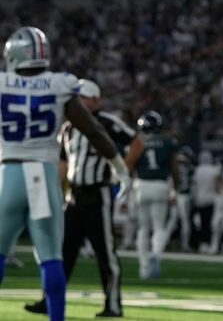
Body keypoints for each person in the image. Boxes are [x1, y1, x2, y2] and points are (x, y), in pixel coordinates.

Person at [0, 27, 129, 321]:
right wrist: (119, 167)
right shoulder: (59, 84)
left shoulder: (3, 83)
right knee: (50, 255)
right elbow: (93, 130)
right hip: (43, 176)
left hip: (10, 173)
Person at [24, 78, 144, 318]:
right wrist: (55, 190)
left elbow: (137, 142)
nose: (77, 103)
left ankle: (113, 304)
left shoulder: (107, 122)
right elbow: (63, 162)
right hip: (73, 197)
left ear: (95, 100)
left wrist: (121, 172)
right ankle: (49, 300)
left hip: (97, 195)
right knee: (60, 252)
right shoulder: (68, 127)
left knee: (105, 252)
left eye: (82, 98)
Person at [128, 110, 178, 279]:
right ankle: (155, 254)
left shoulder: (138, 142)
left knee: (143, 228)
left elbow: (129, 165)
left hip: (141, 185)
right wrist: (175, 190)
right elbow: (174, 169)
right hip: (160, 185)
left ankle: (144, 267)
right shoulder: (168, 143)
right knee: (159, 227)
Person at [167, 145, 195, 252]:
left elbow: (170, 179)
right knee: (185, 222)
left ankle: (164, 242)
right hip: (184, 195)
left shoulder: (174, 164)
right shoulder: (189, 166)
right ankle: (185, 245)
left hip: (175, 194)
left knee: (172, 221)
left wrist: (170, 194)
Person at [193, 150, 220, 252]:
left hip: (199, 198)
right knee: (209, 223)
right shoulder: (214, 170)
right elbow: (216, 186)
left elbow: (195, 185)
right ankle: (208, 243)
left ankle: (202, 243)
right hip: (211, 199)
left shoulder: (197, 170)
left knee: (202, 223)